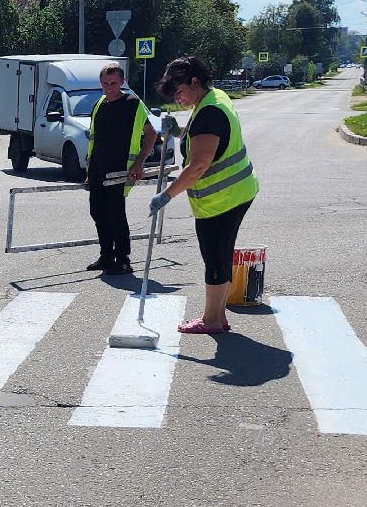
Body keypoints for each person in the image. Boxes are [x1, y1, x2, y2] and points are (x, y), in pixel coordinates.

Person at [150, 54, 260, 335]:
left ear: (194, 81)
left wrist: (166, 195)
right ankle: (218, 316)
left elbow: (198, 165)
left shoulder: (210, 112)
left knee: (214, 256)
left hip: (222, 199)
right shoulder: (213, 99)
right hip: (236, 192)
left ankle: (211, 320)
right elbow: (198, 136)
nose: (178, 98)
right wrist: (177, 132)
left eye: (179, 91)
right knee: (221, 254)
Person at [83, 63, 158, 276]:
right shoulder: (99, 104)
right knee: (98, 212)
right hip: (98, 168)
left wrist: (139, 163)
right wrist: (90, 171)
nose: (109, 88)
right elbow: (94, 140)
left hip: (120, 170)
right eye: (105, 83)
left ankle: (123, 259)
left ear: (122, 82)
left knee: (116, 214)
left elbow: (152, 133)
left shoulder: (133, 103)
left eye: (113, 83)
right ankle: (106, 255)